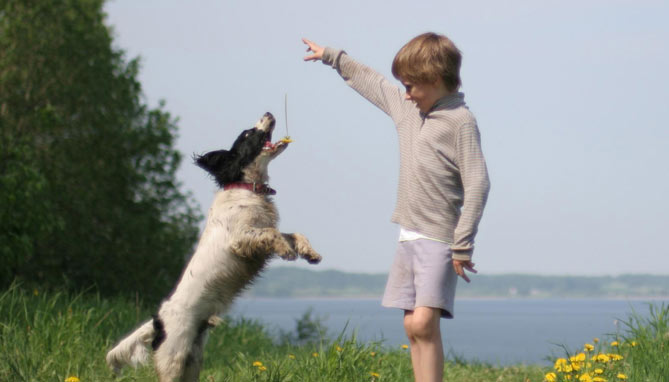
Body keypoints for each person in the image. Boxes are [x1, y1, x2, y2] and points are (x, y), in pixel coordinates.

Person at [302, 32, 490, 382]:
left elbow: (478, 183)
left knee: (423, 321)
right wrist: (332, 56)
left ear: (434, 80)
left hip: (439, 237)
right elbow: (372, 82)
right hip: (408, 235)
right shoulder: (408, 109)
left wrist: (462, 244)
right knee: (411, 326)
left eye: (411, 86)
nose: (405, 93)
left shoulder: (461, 122)